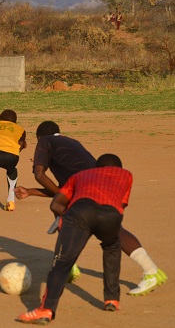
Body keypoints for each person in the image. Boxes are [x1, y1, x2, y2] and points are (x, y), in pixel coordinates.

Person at [14, 121, 167, 296]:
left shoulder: (45, 141)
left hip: (90, 189)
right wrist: (31, 192)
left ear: (39, 137)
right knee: (111, 227)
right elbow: (68, 188)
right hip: (103, 185)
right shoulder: (71, 144)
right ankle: (151, 270)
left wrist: (63, 197)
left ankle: (70, 264)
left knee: (61, 211)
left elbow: (40, 175)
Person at [17, 154, 131, 325]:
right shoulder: (126, 175)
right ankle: (112, 299)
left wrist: (66, 222)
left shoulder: (79, 176)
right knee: (112, 246)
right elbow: (120, 207)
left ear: (96, 168)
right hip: (111, 215)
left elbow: (56, 204)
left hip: (80, 213)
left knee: (62, 263)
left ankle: (46, 310)